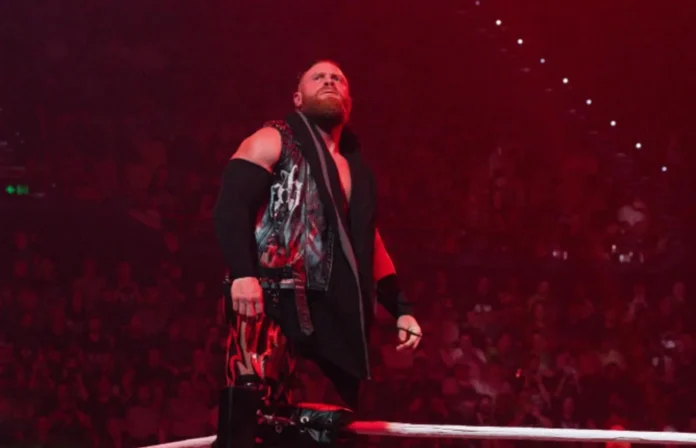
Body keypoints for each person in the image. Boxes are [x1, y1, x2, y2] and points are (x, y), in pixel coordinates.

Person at [213, 60, 422, 447]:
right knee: (250, 412)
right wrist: (243, 273)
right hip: (270, 302)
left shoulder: (357, 169)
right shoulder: (273, 139)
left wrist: (401, 307)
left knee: (322, 428)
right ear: (298, 98)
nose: (329, 80)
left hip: (331, 311)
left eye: (337, 78)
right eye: (318, 77)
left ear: (348, 101)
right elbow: (231, 207)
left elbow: (367, 242)